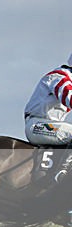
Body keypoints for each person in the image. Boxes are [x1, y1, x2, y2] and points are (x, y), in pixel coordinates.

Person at [24, 53, 72, 181]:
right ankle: (63, 171)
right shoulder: (59, 77)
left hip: (51, 126)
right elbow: (69, 98)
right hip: (36, 126)